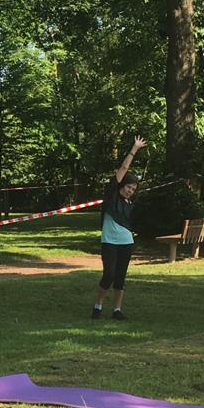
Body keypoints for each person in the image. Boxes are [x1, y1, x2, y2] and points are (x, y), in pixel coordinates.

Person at [92, 135, 146, 320]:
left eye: (133, 189)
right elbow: (123, 168)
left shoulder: (130, 204)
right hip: (109, 242)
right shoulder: (111, 195)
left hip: (126, 242)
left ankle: (117, 310)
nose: (131, 190)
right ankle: (98, 305)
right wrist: (134, 149)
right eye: (129, 187)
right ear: (122, 185)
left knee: (120, 277)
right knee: (109, 274)